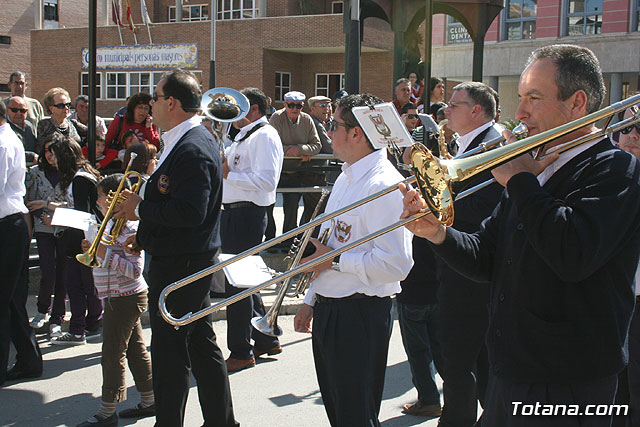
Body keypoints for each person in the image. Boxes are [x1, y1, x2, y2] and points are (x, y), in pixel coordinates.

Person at [400, 44, 640, 427]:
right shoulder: (535, 170)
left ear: (577, 103)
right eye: (520, 98)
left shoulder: (615, 169)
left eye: (533, 98)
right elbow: (486, 254)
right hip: (510, 372)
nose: (520, 113)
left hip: (570, 384)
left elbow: (572, 253)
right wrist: (438, 233)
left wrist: (521, 181)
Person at [113, 69, 239, 427]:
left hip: (182, 266)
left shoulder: (194, 146)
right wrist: (147, 233)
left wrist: (139, 209)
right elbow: (178, 204)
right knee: (201, 346)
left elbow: (190, 212)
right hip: (182, 258)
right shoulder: (184, 140)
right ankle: (222, 421)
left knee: (169, 355)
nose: (150, 105)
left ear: (171, 102)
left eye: (155, 98)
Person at [294, 93, 414, 427]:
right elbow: (330, 246)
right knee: (340, 411)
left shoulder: (384, 185)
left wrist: (333, 262)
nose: (329, 132)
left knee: (355, 416)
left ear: (357, 134)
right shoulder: (348, 176)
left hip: (359, 313)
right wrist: (311, 300)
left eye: (335, 126)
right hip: (334, 308)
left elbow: (396, 264)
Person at [432, 81, 504, 427]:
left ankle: (457, 420)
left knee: (458, 355)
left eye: (454, 105)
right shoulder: (468, 144)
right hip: (463, 261)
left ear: (477, 111)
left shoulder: (492, 146)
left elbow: (482, 210)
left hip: (471, 264)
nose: (446, 110)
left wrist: (435, 206)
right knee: (477, 355)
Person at [76, 174, 154, 427]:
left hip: (124, 296)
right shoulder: (110, 223)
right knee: (134, 350)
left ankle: (107, 411)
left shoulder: (130, 226)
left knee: (112, 353)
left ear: (113, 198)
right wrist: (93, 248)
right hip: (116, 295)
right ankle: (150, 399)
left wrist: (100, 252)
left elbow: (134, 269)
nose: (97, 201)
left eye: (100, 196)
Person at [222, 87, 284, 373]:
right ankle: (265, 337)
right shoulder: (245, 136)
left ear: (254, 110)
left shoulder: (265, 135)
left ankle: (241, 350)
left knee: (237, 284)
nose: (232, 113)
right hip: (237, 213)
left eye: (238, 107)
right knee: (244, 279)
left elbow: (267, 181)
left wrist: (228, 174)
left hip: (248, 213)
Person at [0, 101, 43, 387]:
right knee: (12, 300)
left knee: (4, 302)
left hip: (6, 226)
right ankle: (29, 360)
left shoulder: (2, 143)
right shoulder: (7, 138)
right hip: (10, 224)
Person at [48, 135, 103, 346]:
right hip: (82, 237)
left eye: (55, 155)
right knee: (85, 286)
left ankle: (79, 329)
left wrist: (59, 215)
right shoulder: (82, 176)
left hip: (81, 239)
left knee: (79, 286)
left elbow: (83, 213)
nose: (53, 160)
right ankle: (89, 326)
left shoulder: (80, 179)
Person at [25, 133, 70, 338]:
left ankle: (57, 317)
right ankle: (42, 309)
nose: (51, 156)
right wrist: (42, 214)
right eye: (47, 152)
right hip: (43, 229)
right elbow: (30, 201)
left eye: (55, 152)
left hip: (64, 228)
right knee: (47, 271)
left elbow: (71, 205)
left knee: (62, 273)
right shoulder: (35, 172)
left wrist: (53, 211)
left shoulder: (70, 173)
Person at [614, 103, 640, 427]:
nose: (631, 136)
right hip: (611, 298)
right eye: (627, 129)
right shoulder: (607, 175)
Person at [269, 91, 322, 242]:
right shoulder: (276, 118)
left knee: (292, 208)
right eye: (291, 105)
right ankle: (270, 240)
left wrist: (300, 149)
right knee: (268, 207)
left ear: (302, 106)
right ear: (285, 105)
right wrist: (291, 151)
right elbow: (272, 143)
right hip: (276, 171)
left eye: (298, 106)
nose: (294, 109)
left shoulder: (307, 120)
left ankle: (287, 241)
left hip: (296, 171)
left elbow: (317, 145)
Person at [6, 96, 37, 165]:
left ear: (27, 112)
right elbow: (11, 151)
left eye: (22, 110)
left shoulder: (29, 126)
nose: (19, 113)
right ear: (7, 111)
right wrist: (31, 156)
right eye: (14, 110)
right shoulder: (5, 128)